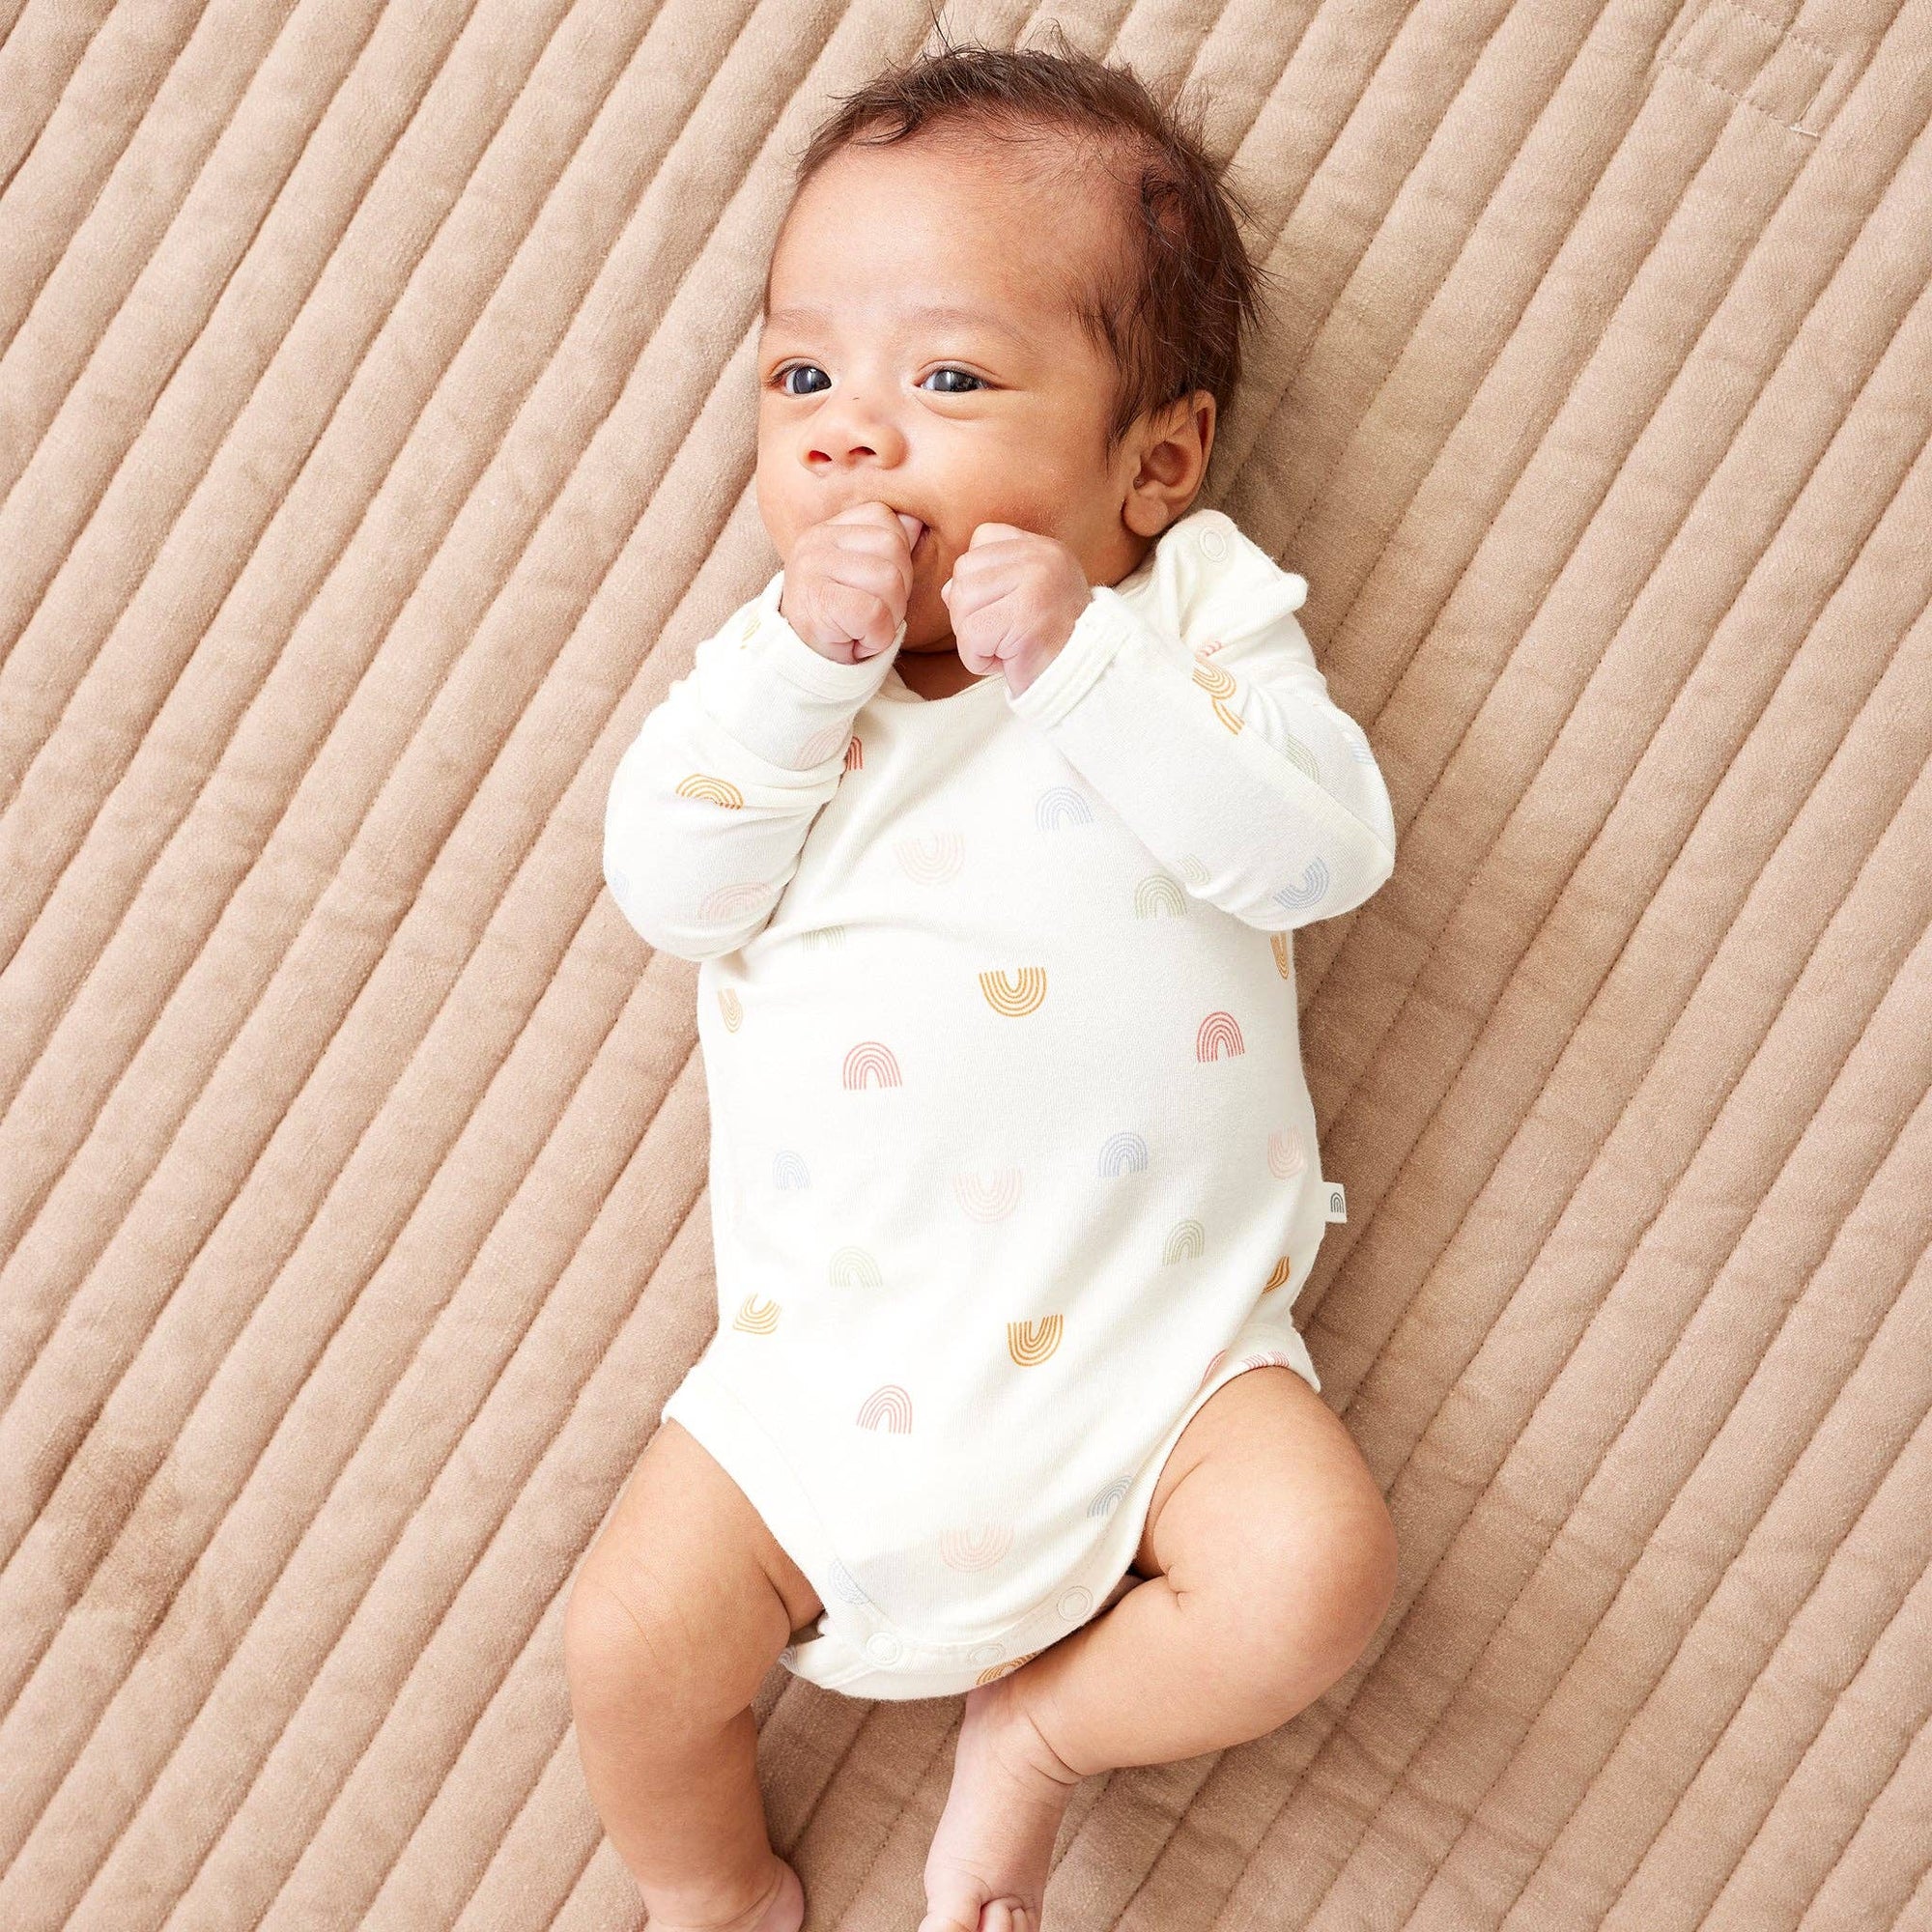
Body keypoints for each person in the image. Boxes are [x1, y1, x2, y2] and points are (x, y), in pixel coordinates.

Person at [569, 31, 1401, 1932]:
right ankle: (709, 1888)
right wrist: (797, 665)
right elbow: (671, 890)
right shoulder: (781, 685)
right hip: (823, 1374)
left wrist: (1085, 663)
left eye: (944, 376)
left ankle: (1037, 1737)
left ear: (1155, 461)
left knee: (1316, 1578)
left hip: (1164, 1352)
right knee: (627, 1644)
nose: (851, 430)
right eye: (803, 376)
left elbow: (1318, 854)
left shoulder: (1191, 618)